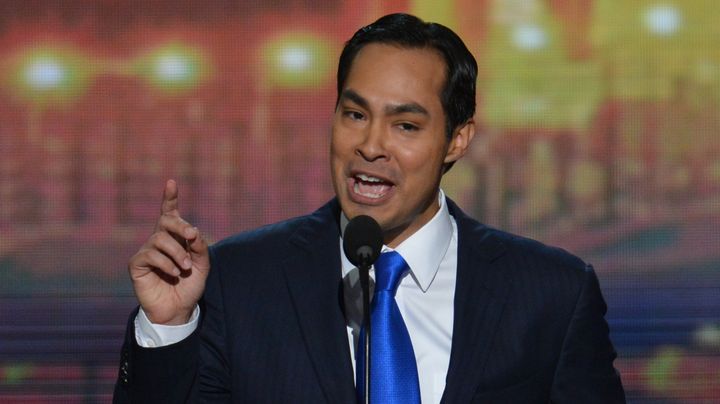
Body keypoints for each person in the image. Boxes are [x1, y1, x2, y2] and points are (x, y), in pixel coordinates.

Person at [113, 13, 625, 403]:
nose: (370, 146)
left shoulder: (552, 293)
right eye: (355, 114)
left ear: (457, 140)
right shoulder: (239, 279)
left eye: (405, 125)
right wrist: (169, 329)